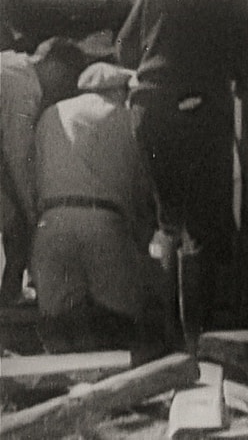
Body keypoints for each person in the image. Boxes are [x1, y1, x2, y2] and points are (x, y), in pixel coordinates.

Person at [116, 0, 248, 344]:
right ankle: (197, 337)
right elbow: (246, 72)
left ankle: (162, 333)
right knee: (202, 229)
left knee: (167, 222)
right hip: (199, 114)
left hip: (150, 113)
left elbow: (124, 51)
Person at [31, 63, 158, 353]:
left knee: (59, 327)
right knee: (120, 326)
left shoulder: (51, 114)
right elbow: (140, 187)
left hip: (51, 223)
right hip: (104, 223)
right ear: (118, 90)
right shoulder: (127, 118)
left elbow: (36, 175)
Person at [1, 38, 88, 303]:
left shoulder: (8, 63)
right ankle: (8, 303)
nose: (64, 88)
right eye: (67, 77)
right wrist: (31, 210)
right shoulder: (25, 88)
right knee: (18, 228)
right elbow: (18, 155)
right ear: (54, 65)